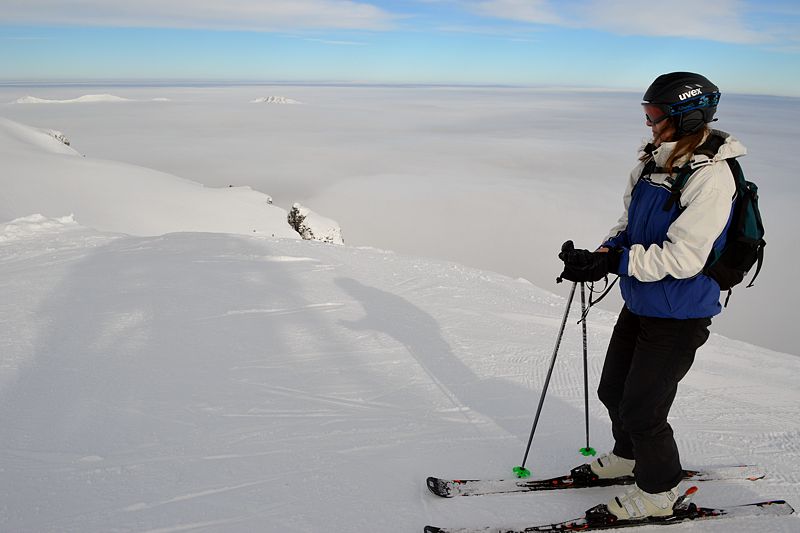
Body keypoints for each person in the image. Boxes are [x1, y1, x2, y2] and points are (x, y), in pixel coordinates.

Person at [557, 72, 746, 521]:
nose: (649, 123)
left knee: (644, 409)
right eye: (647, 113)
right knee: (613, 391)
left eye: (656, 115)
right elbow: (628, 223)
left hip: (680, 311)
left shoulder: (712, 177)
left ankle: (660, 493)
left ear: (688, 117)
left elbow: (684, 259)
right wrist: (600, 253)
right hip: (643, 299)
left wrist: (616, 264)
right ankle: (628, 457)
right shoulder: (651, 162)